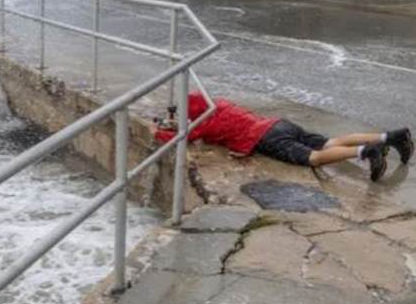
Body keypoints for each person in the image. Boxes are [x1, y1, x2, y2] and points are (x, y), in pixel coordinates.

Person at [154, 93, 413, 182]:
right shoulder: (220, 104)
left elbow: (183, 137)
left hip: (266, 138)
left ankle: (367, 152)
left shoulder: (204, 126)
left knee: (315, 158)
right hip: (279, 124)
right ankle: (390, 136)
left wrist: (159, 130)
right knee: (330, 142)